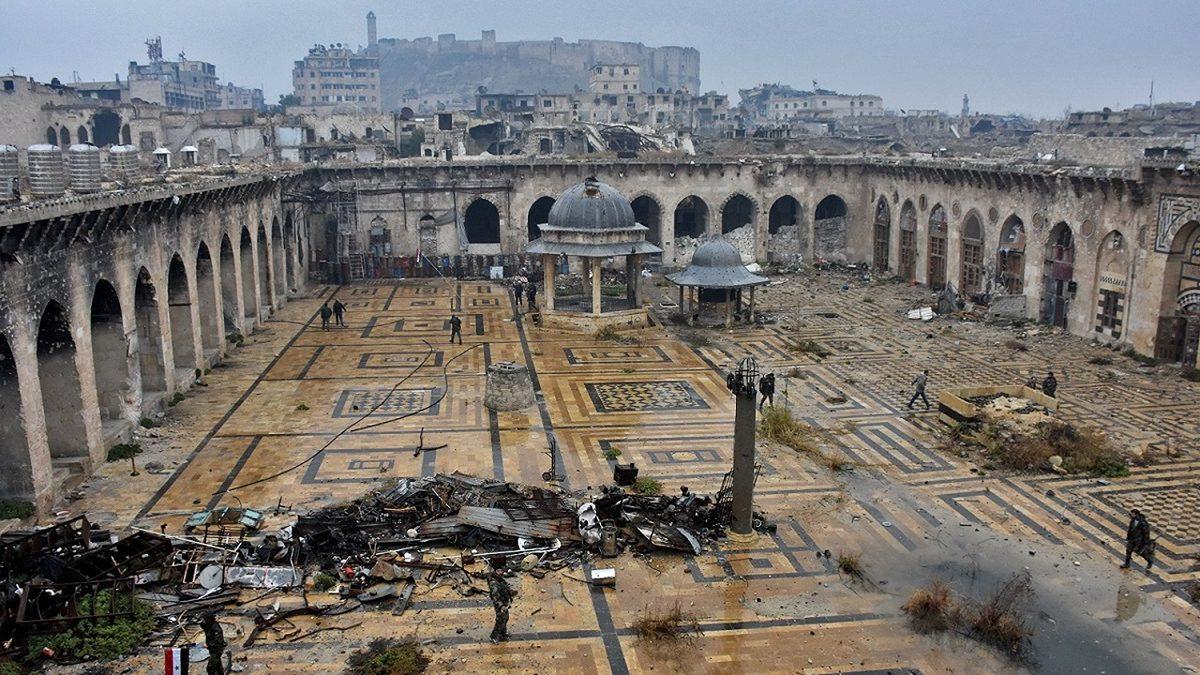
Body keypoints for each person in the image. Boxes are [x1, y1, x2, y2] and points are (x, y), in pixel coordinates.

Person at [485, 555, 514, 643]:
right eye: (499, 571)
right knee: (500, 619)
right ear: (495, 571)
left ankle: (503, 633)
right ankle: (494, 636)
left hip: (504, 601)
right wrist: (501, 606)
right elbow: (495, 596)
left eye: (501, 570)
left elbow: (504, 587)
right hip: (500, 604)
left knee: (506, 617)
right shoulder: (494, 582)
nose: (501, 572)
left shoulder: (499, 579)